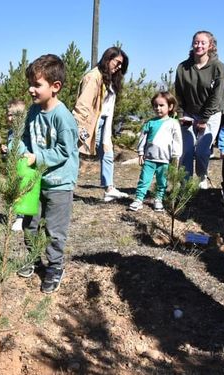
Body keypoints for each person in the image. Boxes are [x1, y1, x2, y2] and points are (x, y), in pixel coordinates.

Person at [14, 54, 79, 294]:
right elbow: (23, 137)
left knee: (54, 229)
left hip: (59, 182)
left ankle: (54, 267)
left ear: (55, 87)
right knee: (30, 222)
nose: (31, 89)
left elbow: (64, 150)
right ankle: (31, 258)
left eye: (37, 85)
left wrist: (37, 157)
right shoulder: (33, 111)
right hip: (36, 179)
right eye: (30, 83)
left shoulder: (63, 117)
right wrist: (22, 152)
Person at [72, 47, 130, 202]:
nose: (118, 67)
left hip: (104, 121)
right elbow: (83, 104)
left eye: (121, 65)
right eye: (117, 63)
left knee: (107, 152)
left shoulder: (110, 79)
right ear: (107, 59)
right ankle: (64, 187)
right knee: (74, 153)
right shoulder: (94, 76)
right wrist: (80, 126)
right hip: (91, 122)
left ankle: (109, 188)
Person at [174, 31, 224, 189]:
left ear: (211, 45)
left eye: (203, 42)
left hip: (211, 114)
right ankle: (185, 184)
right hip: (189, 113)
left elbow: (217, 95)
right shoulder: (183, 67)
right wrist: (181, 114)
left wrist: (204, 119)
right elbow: (179, 93)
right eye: (196, 42)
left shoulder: (217, 66)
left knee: (203, 151)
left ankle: (202, 177)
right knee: (187, 150)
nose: (199, 45)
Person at [129, 92, 182, 212]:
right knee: (144, 179)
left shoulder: (173, 123)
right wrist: (141, 153)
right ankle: (138, 199)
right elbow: (142, 138)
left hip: (165, 160)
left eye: (161, 105)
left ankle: (158, 199)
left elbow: (177, 141)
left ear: (170, 106)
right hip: (149, 159)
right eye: (155, 105)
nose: (158, 108)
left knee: (161, 181)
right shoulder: (150, 123)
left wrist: (176, 156)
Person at [0, 99, 27, 231]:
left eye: (13, 115)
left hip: (23, 165)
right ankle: (15, 215)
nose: (9, 118)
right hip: (13, 166)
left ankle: (21, 218)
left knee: (21, 191)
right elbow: (12, 149)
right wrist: (5, 151)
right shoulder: (11, 132)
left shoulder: (24, 131)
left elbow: (24, 148)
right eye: (8, 114)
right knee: (14, 191)